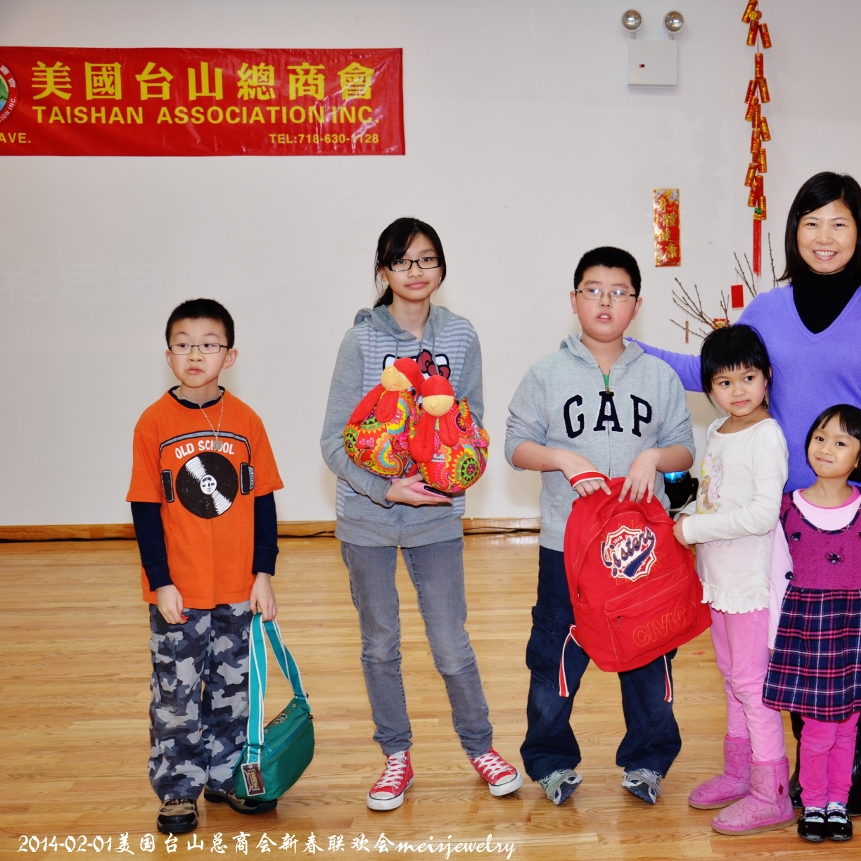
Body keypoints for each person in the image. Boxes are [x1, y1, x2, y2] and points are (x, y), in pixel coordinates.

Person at [637, 171, 861, 815]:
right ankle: (794, 773)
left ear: (860, 233)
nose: (825, 236)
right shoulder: (766, 310)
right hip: (787, 513)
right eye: (812, 223)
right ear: (794, 232)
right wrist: (628, 347)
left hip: (857, 508)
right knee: (791, 646)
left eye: (839, 223)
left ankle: (848, 775)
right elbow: (719, 371)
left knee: (854, 644)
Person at [320, 217, 522, 811]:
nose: (416, 271)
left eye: (427, 258)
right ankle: (396, 757)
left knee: (450, 641)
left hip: (436, 517)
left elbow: (472, 427)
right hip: (368, 518)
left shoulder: (460, 336)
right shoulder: (360, 342)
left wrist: (446, 472)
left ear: (441, 267)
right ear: (383, 270)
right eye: (403, 260)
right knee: (380, 643)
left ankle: (481, 747)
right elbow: (333, 442)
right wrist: (385, 490)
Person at [505, 246, 696, 807]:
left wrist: (653, 458)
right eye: (593, 290)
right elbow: (516, 446)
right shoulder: (546, 374)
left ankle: (648, 760)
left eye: (618, 292)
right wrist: (562, 458)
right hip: (566, 545)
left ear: (637, 304)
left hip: (642, 547)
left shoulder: (659, 376)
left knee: (647, 648)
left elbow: (684, 448)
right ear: (574, 300)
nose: (605, 301)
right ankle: (550, 760)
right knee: (556, 650)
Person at [128, 298, 283, 835]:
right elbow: (144, 509)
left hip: (239, 588)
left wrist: (263, 573)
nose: (196, 354)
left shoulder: (246, 421)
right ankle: (177, 789)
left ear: (230, 355)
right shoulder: (153, 423)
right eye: (184, 344)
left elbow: (263, 502)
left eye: (209, 344)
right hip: (181, 590)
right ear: (168, 355)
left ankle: (224, 776)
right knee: (176, 694)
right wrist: (161, 582)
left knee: (232, 690)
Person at [764, 405, 861, 843]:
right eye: (820, 437)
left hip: (859, 628)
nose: (826, 448)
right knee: (816, 731)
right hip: (806, 631)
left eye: (841, 442)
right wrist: (774, 641)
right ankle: (812, 803)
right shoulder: (786, 508)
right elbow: (776, 578)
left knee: (848, 729)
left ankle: (837, 805)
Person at [671, 324, 794, 835]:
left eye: (748, 377)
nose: (738, 390)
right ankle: (740, 772)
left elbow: (763, 514)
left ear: (767, 378)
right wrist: (685, 519)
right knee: (731, 677)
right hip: (719, 579)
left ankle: (772, 793)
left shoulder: (767, 435)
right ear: (709, 388)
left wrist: (694, 529)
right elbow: (712, 497)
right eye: (724, 382)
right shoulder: (719, 430)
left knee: (751, 684)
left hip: (750, 583)